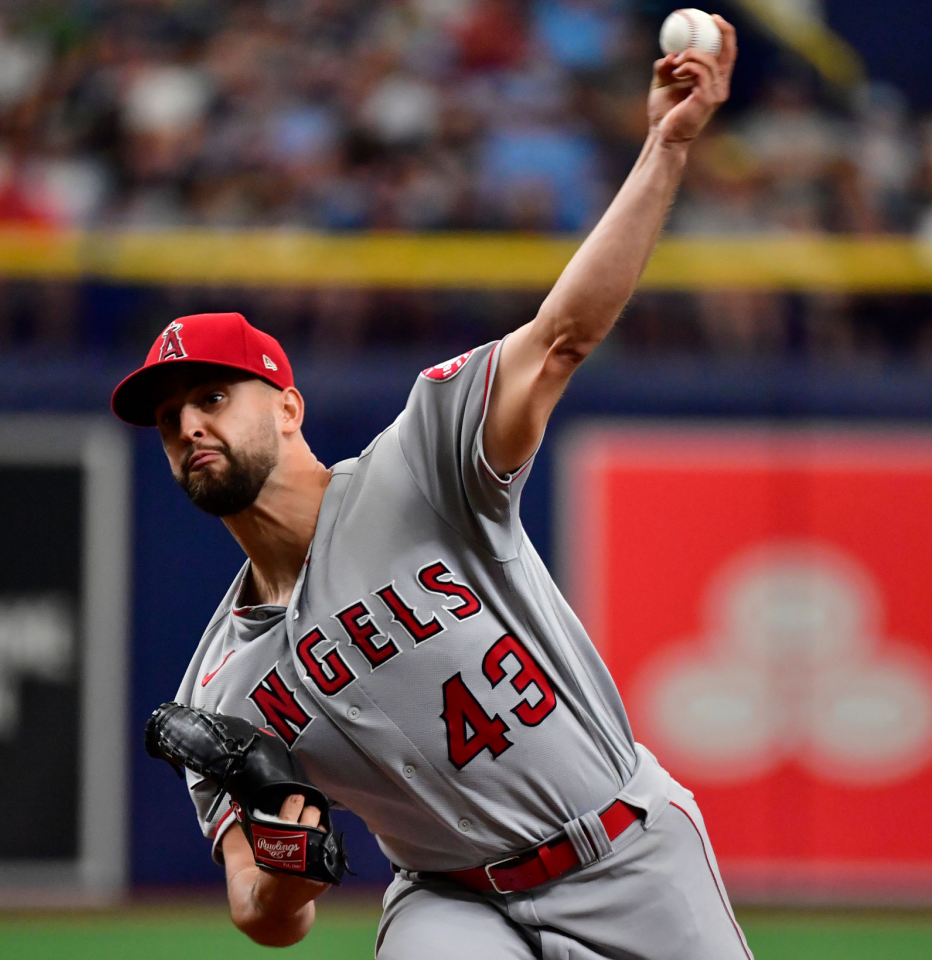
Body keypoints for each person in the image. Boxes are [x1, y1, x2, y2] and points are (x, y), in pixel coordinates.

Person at [112, 18, 749, 960]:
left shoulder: (422, 464)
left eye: (213, 396)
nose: (191, 426)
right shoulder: (218, 686)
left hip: (626, 853)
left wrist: (666, 144)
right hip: (451, 903)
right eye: (170, 421)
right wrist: (289, 861)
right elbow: (262, 914)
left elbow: (562, 333)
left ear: (288, 407)